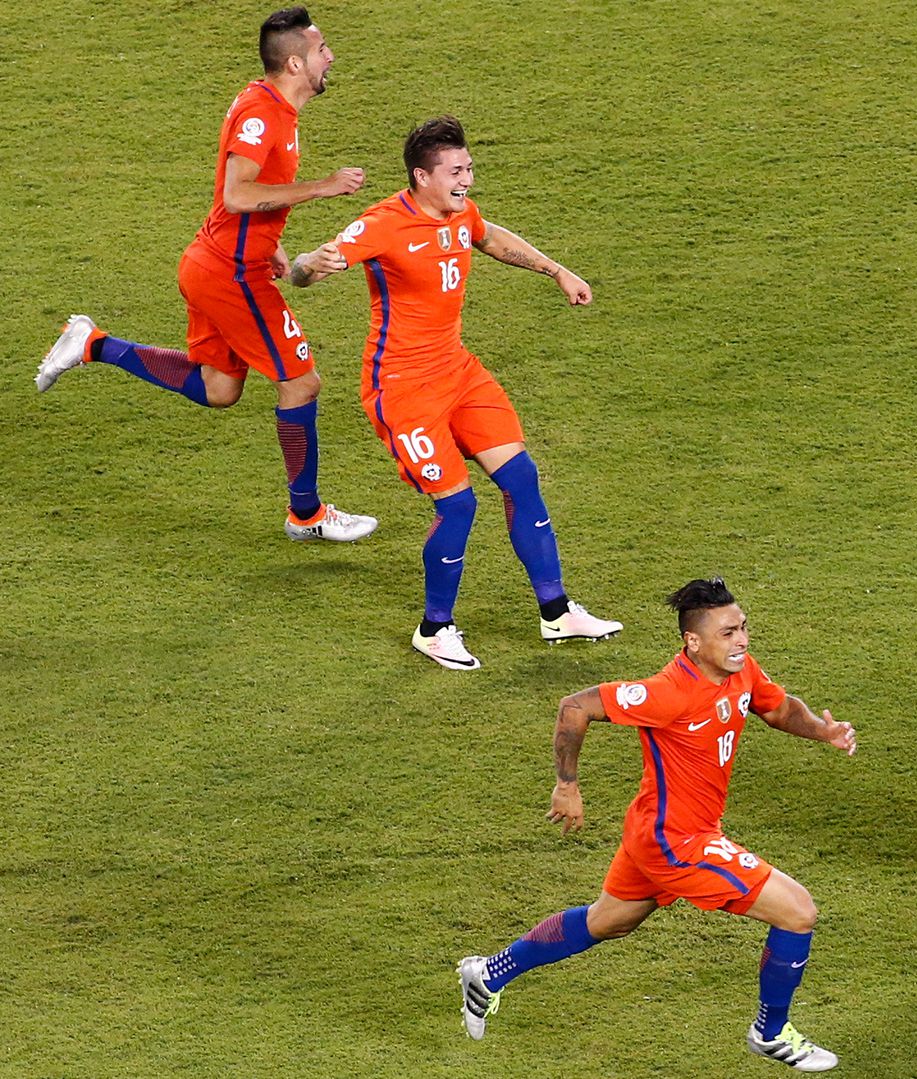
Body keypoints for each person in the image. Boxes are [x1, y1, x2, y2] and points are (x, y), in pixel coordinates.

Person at [455, 578, 855, 1072]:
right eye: (728, 633)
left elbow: (776, 707)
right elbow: (575, 706)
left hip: (654, 830)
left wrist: (823, 730)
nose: (742, 640)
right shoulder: (668, 693)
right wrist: (567, 785)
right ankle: (770, 1034)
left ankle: (488, 974)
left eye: (743, 628)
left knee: (609, 921)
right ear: (694, 642)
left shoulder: (740, 669)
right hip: (678, 842)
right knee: (798, 911)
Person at [287, 115, 618, 668]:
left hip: (459, 374)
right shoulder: (384, 224)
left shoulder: (460, 209)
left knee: (520, 477)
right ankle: (434, 628)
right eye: (456, 170)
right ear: (421, 176)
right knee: (458, 505)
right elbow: (307, 270)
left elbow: (488, 236)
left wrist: (555, 270)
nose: (468, 178)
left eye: (468, 166)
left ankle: (556, 612)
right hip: (402, 389)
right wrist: (306, 265)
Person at [36, 7, 376, 543]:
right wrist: (322, 186)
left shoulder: (272, 108)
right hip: (230, 275)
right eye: (321, 49)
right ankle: (306, 514)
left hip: (220, 262)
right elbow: (236, 194)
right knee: (302, 383)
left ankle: (92, 344)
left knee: (219, 388)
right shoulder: (263, 117)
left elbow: (245, 198)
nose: (330, 56)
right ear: (295, 62)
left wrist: (273, 243)